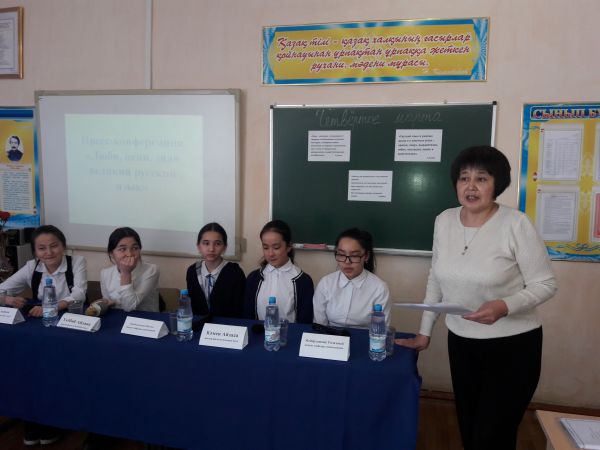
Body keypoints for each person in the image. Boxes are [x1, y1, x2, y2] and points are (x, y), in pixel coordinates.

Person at [396, 145, 557, 450]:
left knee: (492, 436)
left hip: (512, 347)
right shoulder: (444, 220)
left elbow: (546, 284)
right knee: (471, 432)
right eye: (464, 178)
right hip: (462, 343)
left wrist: (504, 306)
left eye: (481, 179)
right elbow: (436, 277)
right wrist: (424, 332)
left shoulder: (516, 224)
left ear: (497, 184)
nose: (470, 186)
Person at [0, 224, 87, 447]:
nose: (48, 252)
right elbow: (3, 288)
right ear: (35, 251)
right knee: (30, 368)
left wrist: (51, 307)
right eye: (41, 248)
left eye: (54, 246)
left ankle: (56, 419)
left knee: (58, 371)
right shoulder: (32, 267)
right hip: (41, 328)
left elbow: (79, 294)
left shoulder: (77, 262)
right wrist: (8, 299)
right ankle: (33, 417)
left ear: (63, 246)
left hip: (71, 326)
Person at [313, 228, 390, 328]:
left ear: (366, 256)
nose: (347, 262)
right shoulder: (326, 283)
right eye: (341, 254)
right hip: (330, 336)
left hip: (364, 336)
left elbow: (381, 330)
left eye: (354, 256)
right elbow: (319, 325)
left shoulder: (379, 288)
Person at [244, 219, 313, 323]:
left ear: (289, 247)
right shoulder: (254, 278)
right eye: (265, 248)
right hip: (259, 332)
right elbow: (247, 317)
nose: (270, 254)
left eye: (276, 247)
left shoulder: (303, 281)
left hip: (290, 333)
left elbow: (305, 321)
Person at [186, 222, 245, 317]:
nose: (211, 249)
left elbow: (240, 309)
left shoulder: (235, 272)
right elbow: (192, 307)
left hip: (227, 324)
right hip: (199, 324)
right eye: (206, 243)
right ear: (198, 247)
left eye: (217, 244)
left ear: (224, 247)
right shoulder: (192, 271)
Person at [99, 227, 159, 312]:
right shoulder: (105, 273)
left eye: (135, 248)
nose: (129, 254)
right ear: (111, 253)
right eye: (122, 249)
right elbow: (108, 303)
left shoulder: (152, 270)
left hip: (146, 318)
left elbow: (129, 306)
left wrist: (126, 272)